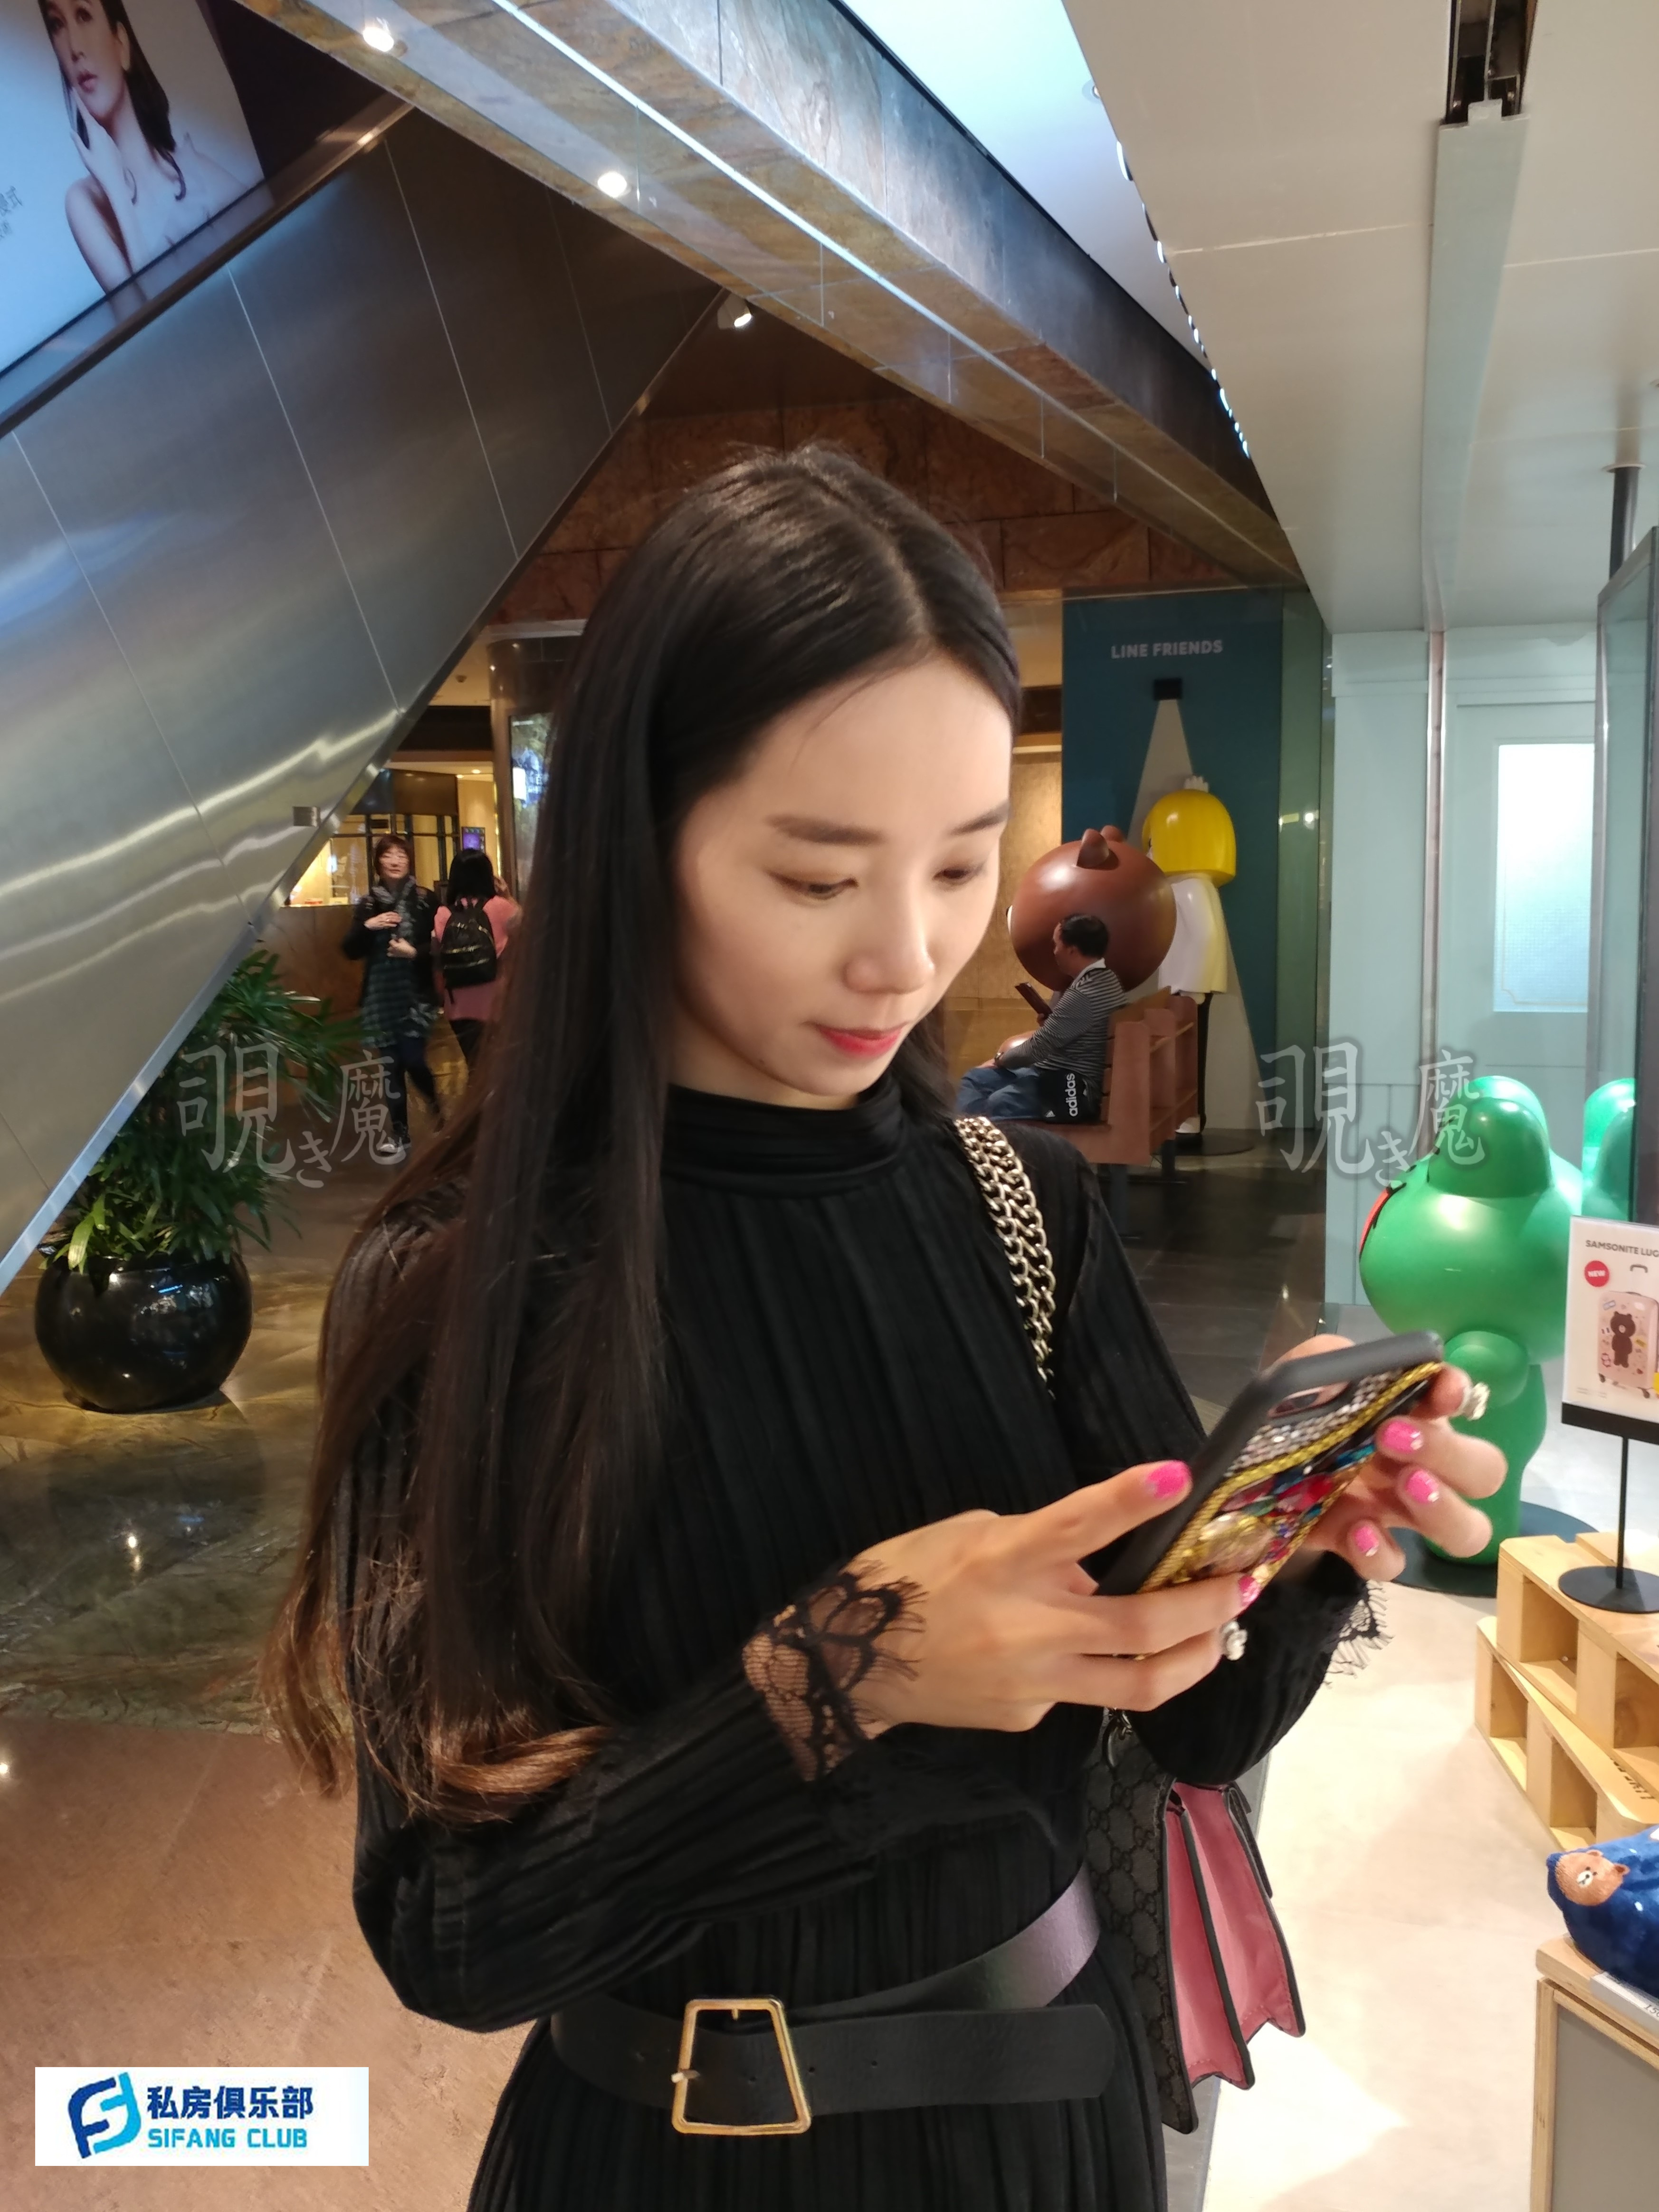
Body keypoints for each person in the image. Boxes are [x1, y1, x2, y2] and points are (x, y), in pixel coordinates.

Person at [264, 449, 1503, 2212]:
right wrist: (842, 1673)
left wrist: (1297, 1549)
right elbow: (453, 1931)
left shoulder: (1019, 1210)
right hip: (675, 2157)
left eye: (960, 865)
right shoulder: (467, 1284)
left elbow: (1193, 1731)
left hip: (1043, 2134)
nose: (905, 956)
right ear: (639, 846)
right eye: (816, 878)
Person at [38, 0, 251, 291]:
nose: (74, 48)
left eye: (84, 15)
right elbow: (156, 312)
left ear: (121, 44)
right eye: (57, 25)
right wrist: (115, 188)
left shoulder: (198, 178)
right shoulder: (84, 203)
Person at [956, 912, 1126, 1122]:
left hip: (1070, 1086)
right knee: (976, 1079)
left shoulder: (1083, 994)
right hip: (1056, 1072)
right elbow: (1075, 1030)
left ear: (1072, 950)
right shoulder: (1107, 980)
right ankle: (968, 1131)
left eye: (1056, 945)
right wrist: (1054, 1024)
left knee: (998, 1102)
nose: (1054, 952)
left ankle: (970, 1133)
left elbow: (1038, 1048)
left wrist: (1000, 1060)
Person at [341, 833, 439, 1160]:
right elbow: (350, 950)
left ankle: (436, 1107)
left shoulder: (425, 900)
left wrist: (414, 952)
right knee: (391, 1068)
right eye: (388, 855)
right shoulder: (369, 903)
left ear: (410, 861)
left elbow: (441, 943)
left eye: (401, 855)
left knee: (413, 1059)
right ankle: (400, 1135)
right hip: (381, 997)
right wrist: (368, 926)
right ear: (378, 863)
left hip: (415, 995)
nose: (395, 861)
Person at [432, 846, 521, 1069]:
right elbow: (529, 929)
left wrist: (441, 998)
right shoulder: (501, 908)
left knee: (475, 1068)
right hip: (496, 1004)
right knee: (499, 1070)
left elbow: (438, 962)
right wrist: (508, 896)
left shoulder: (444, 914)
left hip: (458, 1008)